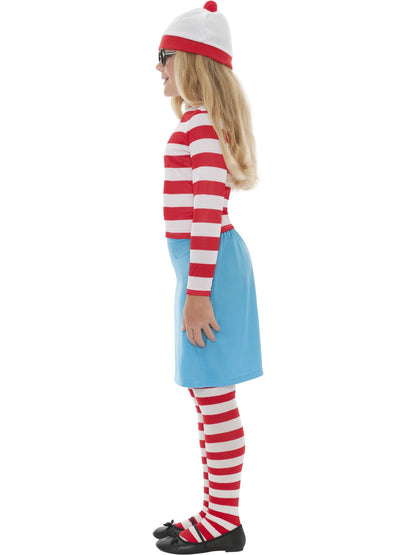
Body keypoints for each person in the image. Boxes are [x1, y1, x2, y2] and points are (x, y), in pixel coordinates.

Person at [153, 2, 263, 553]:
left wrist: (197, 294)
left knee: (215, 398)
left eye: (164, 56)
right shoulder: (197, 123)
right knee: (206, 395)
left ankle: (223, 520)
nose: (158, 67)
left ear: (192, 61)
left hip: (209, 271)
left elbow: (204, 214)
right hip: (204, 269)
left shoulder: (199, 126)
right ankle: (215, 511)